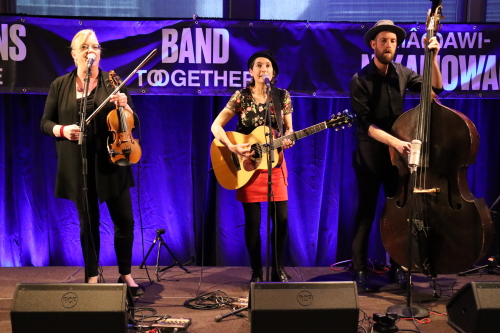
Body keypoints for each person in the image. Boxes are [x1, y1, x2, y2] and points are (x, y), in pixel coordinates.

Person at [41, 29, 144, 296]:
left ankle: (126, 274)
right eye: (85, 47)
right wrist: (63, 130)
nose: (92, 51)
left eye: (96, 47)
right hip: (79, 163)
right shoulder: (60, 85)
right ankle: (92, 276)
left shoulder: (114, 82)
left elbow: (133, 122)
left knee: (125, 222)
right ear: (74, 54)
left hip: (113, 159)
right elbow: (45, 123)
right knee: (89, 224)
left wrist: (125, 106)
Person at [349, 20, 443, 291]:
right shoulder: (360, 80)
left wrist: (433, 57)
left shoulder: (403, 73)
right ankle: (360, 270)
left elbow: (434, 90)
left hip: (397, 155)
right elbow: (365, 124)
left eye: (392, 41)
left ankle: (399, 268)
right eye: (383, 41)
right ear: (373, 45)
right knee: (366, 213)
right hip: (370, 152)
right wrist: (395, 142)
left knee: (399, 213)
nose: (388, 45)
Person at [211, 50, 295, 283]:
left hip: (274, 165)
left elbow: (289, 130)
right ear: (251, 71)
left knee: (282, 220)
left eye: (267, 65)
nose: (263, 69)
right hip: (248, 165)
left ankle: (278, 269)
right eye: (258, 65)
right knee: (253, 222)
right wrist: (231, 146)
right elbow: (216, 126)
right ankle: (257, 271)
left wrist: (288, 137)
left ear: (273, 72)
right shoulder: (241, 97)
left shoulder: (282, 96)